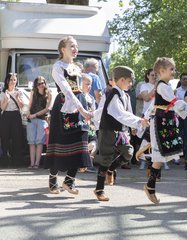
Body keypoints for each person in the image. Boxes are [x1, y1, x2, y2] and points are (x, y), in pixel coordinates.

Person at [143, 57, 187, 204]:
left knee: (161, 155)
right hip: (160, 122)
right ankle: (150, 186)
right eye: (171, 69)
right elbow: (175, 102)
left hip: (165, 122)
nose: (174, 71)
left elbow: (155, 103)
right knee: (159, 155)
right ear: (161, 71)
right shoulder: (162, 86)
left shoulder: (163, 86)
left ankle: (150, 186)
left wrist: (145, 116)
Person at [45, 36, 93, 195]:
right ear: (62, 49)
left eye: (76, 46)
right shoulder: (57, 66)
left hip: (78, 103)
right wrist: (82, 110)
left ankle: (69, 180)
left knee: (82, 140)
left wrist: (85, 104)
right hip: (65, 106)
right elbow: (67, 89)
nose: (75, 48)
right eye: (71, 46)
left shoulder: (75, 67)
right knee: (61, 143)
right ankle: (53, 180)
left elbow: (81, 88)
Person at [94, 66, 149, 201]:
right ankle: (99, 189)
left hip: (121, 132)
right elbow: (119, 114)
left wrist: (134, 126)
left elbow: (127, 113)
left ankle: (111, 169)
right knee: (105, 158)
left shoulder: (125, 95)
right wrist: (138, 121)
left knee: (128, 153)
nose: (131, 84)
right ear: (122, 80)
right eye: (130, 81)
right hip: (108, 131)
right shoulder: (112, 94)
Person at [26, 76, 52, 168]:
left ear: (45, 84)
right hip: (31, 119)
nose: (41, 85)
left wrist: (35, 115)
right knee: (31, 142)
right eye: (39, 83)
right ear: (36, 85)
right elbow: (29, 104)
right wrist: (28, 112)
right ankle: (32, 163)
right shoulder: (33, 92)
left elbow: (47, 108)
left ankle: (37, 163)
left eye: (42, 83)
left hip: (42, 120)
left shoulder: (49, 93)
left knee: (39, 142)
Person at [0, 73, 25, 167]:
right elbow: (2, 107)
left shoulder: (19, 92)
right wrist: (6, 99)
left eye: (14, 80)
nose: (13, 82)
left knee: (17, 138)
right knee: (5, 139)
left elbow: (21, 106)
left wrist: (17, 98)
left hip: (15, 115)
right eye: (11, 79)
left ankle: (17, 162)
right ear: (7, 81)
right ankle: (4, 162)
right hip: (6, 116)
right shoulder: (3, 93)